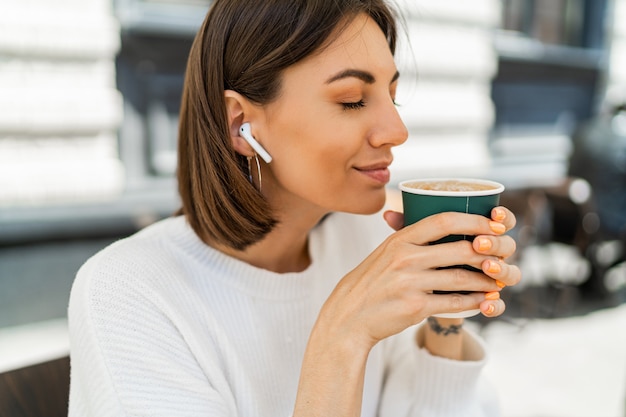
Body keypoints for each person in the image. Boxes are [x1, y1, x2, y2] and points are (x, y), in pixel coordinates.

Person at [67, 1, 521, 416]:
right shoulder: (127, 292)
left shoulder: (368, 241)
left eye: (392, 95)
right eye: (352, 100)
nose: (396, 130)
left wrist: (447, 306)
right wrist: (341, 337)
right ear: (241, 124)